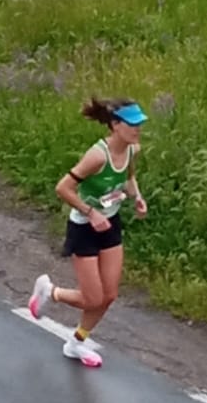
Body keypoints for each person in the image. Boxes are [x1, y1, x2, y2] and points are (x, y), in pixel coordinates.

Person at [29, 98, 148, 367]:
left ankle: (76, 343)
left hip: (110, 224)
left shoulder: (132, 150)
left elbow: (128, 179)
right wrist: (90, 212)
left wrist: (137, 198)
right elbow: (63, 188)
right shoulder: (97, 156)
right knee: (92, 298)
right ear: (115, 125)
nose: (138, 129)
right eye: (133, 124)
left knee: (109, 296)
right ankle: (50, 291)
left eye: (140, 124)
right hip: (84, 228)